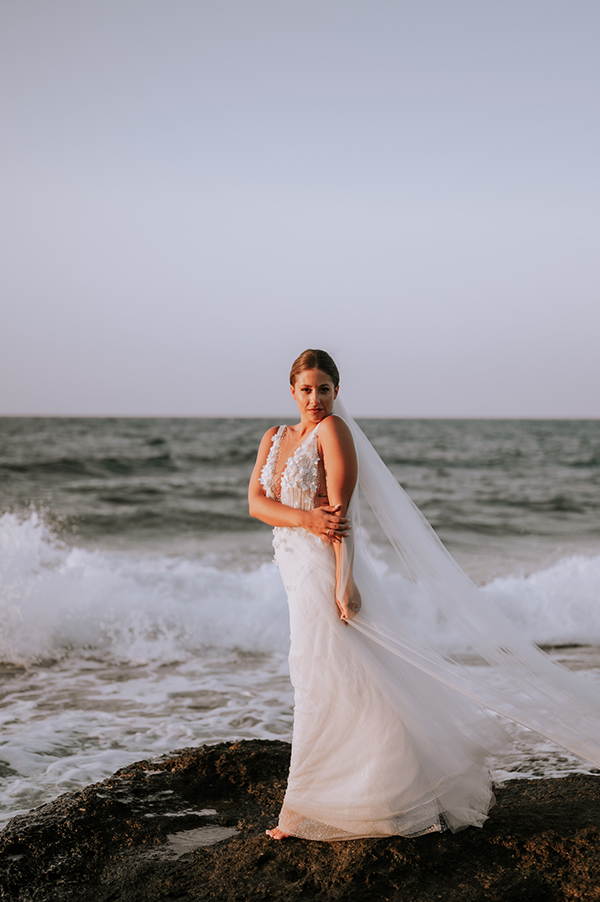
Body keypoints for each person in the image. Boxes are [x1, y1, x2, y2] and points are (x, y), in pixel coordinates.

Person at [249, 349, 600, 842]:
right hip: (291, 565)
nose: (315, 398)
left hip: (325, 569)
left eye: (324, 389)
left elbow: (342, 518)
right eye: (306, 389)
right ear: (291, 390)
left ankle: (309, 811)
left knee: (329, 676)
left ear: (336, 392)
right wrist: (306, 518)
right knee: (320, 673)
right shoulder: (275, 437)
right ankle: (348, 794)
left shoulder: (334, 432)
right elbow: (256, 503)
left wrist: (344, 583)